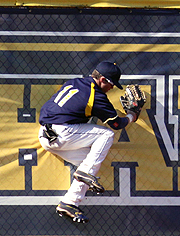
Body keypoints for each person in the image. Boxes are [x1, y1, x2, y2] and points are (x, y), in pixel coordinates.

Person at [38, 61, 138, 223]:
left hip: (45, 135)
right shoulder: (96, 95)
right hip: (63, 133)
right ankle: (85, 174)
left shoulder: (74, 82)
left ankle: (70, 202)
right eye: (112, 84)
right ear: (103, 80)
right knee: (106, 135)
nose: (112, 88)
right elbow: (116, 124)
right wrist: (132, 115)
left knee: (90, 164)